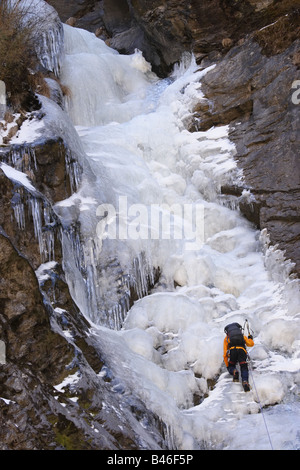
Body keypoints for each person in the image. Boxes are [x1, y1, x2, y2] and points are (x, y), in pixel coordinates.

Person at [223, 322, 254, 392]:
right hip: (242, 351)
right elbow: (251, 344)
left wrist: (228, 366)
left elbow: (225, 354)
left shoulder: (227, 338)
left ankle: (234, 371)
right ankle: (245, 382)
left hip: (232, 351)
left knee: (232, 365)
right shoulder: (242, 336)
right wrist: (250, 338)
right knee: (244, 367)